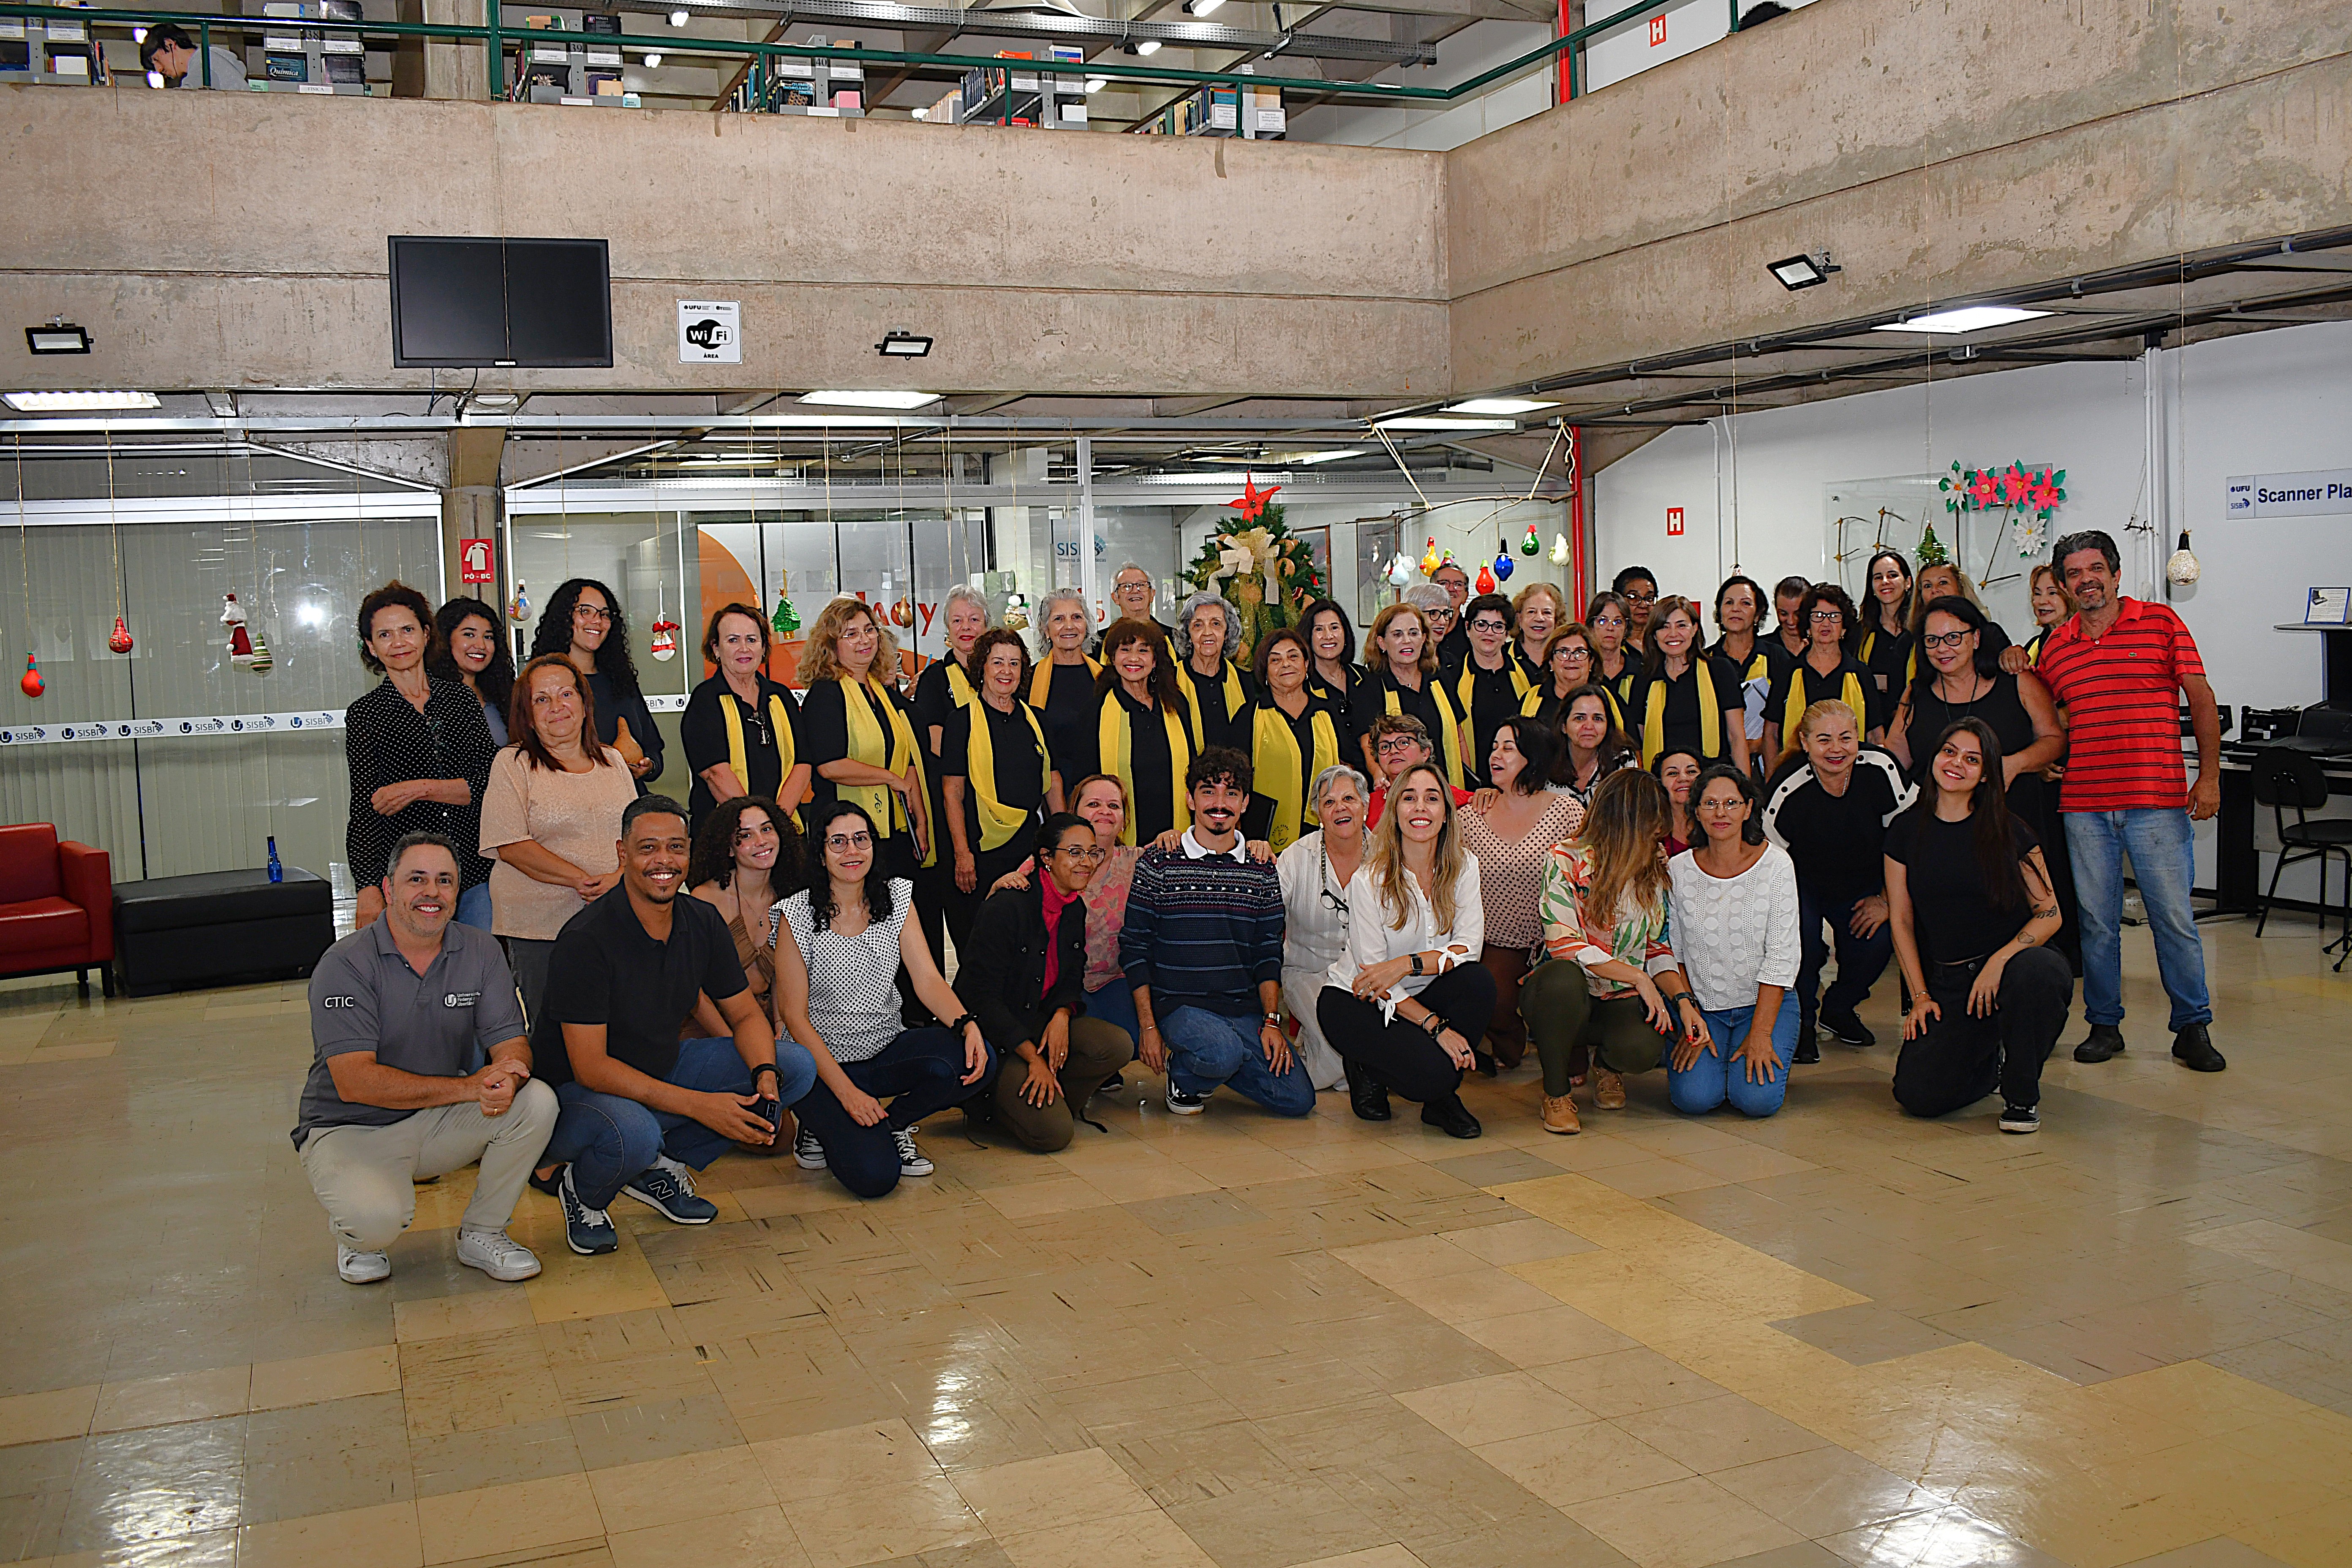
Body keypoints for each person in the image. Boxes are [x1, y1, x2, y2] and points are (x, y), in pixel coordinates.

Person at [531, 795, 817, 1255]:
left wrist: (764, 1074)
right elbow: (591, 1067)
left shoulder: (700, 921)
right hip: (575, 1096)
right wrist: (702, 1106)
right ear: (622, 853)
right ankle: (583, 1193)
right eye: (648, 848)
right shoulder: (586, 940)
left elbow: (744, 1014)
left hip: (660, 1068)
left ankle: (656, 1167)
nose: (663, 861)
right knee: (636, 1132)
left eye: (675, 847)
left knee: (795, 1066)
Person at [294, 833, 553, 1286]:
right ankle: (357, 1236)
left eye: (445, 881)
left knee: (537, 1102)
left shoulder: (480, 949)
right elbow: (356, 1082)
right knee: (377, 1220)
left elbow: (510, 1038)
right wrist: (471, 1087)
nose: (432, 893)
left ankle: (484, 1232)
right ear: (390, 889)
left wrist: (509, 1072)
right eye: (417, 879)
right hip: (351, 1125)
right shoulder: (345, 964)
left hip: (436, 1119)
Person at [2034, 529, 2225, 1072]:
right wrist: (2044, 749)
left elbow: (2202, 698)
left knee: (2173, 919)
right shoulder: (2057, 646)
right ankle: (2104, 1024)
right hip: (2086, 805)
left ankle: (2193, 1027)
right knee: (2097, 921)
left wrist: (2209, 778)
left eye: (2096, 569)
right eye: (2074, 574)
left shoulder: (2162, 623)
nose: (2086, 580)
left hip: (2157, 801)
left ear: (2115, 574)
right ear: (2066, 585)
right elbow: (2043, 713)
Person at [774, 800, 991, 1194]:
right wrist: (849, 1095)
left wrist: (966, 1023)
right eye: (837, 842)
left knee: (978, 1057)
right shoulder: (797, 914)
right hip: (821, 1067)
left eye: (861, 839)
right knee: (876, 1178)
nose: (852, 851)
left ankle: (893, 1124)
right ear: (820, 854)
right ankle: (818, 1124)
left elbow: (927, 979)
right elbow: (793, 1016)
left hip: (883, 1050)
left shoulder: (896, 898)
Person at [1885, 719, 2074, 1130]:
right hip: (1953, 982)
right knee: (1917, 1095)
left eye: (1972, 759)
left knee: (2037, 973)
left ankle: (2021, 1095)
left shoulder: (2011, 829)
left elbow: (2050, 912)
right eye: (1949, 752)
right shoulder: (1904, 830)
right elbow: (1900, 919)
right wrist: (1920, 996)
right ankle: (1989, 1059)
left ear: (1986, 773)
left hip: (2015, 969)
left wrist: (2001, 960)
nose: (1957, 764)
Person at [1119, 748, 1311, 1118]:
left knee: (1297, 1100)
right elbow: (1134, 946)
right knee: (1220, 1052)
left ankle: (1218, 1060)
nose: (1219, 803)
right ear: (1190, 799)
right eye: (1209, 791)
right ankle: (1190, 1074)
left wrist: (1272, 1022)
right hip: (1179, 1005)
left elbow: (1268, 952)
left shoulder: (1261, 868)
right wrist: (1148, 1027)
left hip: (1242, 1009)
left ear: (1245, 803)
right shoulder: (1158, 862)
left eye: (1231, 793)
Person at [1888, 596, 2074, 966]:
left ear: (1976, 638)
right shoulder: (1916, 693)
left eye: (1954, 637)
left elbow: (2054, 739)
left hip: (2011, 828)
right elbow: (1895, 758)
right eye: (1932, 640)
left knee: (2024, 936)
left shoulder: (2014, 681)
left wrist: (2016, 764)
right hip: (1943, 838)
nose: (1943, 649)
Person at [1519, 770, 1704, 1132]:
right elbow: (1564, 944)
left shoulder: (1654, 867)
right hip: (1568, 992)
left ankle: (1608, 1065)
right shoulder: (1565, 858)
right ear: (1625, 822)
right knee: (1560, 981)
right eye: (1652, 827)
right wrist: (1637, 976)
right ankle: (1555, 1094)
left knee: (1643, 1047)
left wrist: (1683, 1001)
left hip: (1617, 997)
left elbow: (1657, 946)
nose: (1658, 838)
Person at [1315, 762, 1491, 1138]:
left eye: (1432, 799)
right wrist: (1436, 1026)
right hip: (1358, 1000)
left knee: (1478, 982)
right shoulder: (1369, 879)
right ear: (1395, 811)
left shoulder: (1464, 867)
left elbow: (1469, 948)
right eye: (1409, 799)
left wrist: (1407, 964)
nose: (1420, 809)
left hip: (1421, 989)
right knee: (1430, 1076)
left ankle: (1440, 1102)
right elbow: (1376, 978)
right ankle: (1367, 1065)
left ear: (1446, 813)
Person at [481, 655, 639, 1026]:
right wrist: (579, 880)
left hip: (615, 919)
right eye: (542, 699)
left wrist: (620, 876)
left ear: (585, 705)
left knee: (621, 1025)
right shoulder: (512, 764)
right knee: (554, 1032)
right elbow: (511, 844)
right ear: (528, 713)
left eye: (566, 694)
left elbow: (638, 835)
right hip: (540, 928)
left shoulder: (614, 762)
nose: (557, 707)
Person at [963, 814, 1135, 1152]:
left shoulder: (1074, 907)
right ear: (1046, 858)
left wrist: (1062, 1014)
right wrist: (1033, 1058)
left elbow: (1071, 975)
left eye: (1092, 853)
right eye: (1074, 853)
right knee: (1054, 1136)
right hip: (997, 1039)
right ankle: (998, 1106)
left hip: (1040, 1022)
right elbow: (980, 999)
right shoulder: (1008, 907)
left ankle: (1047, 1098)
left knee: (1117, 1044)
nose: (1085, 863)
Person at [1761, 699, 1913, 1059]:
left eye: (1846, 738)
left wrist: (1887, 900)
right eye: (1824, 740)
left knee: (1879, 941)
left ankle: (1840, 1008)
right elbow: (1769, 861)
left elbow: (1910, 836)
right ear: (1805, 741)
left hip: (1865, 885)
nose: (1836, 749)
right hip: (1802, 885)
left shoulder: (1881, 768)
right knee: (1803, 948)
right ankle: (1803, 1025)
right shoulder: (1787, 787)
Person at [794, 597, 938, 977]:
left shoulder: (881, 692)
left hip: (894, 829)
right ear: (832, 644)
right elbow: (829, 765)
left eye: (869, 631)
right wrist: (890, 779)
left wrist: (920, 818)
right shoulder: (827, 694)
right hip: (849, 835)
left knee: (901, 929)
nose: (864, 640)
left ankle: (914, 1017)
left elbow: (905, 758)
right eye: (851, 634)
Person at [345, 580, 496, 933]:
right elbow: (365, 810)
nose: (399, 643)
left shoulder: (459, 699)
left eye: (408, 630)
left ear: (426, 635)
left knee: (478, 967)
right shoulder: (366, 714)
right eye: (385, 635)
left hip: (474, 867)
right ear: (370, 646)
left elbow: (491, 783)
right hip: (409, 875)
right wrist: (367, 886)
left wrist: (417, 789)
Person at [1665, 768, 1799, 1118]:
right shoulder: (1677, 870)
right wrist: (1689, 1015)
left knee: (1757, 1102)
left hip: (1764, 1004)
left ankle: (1750, 1055)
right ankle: (1720, 1066)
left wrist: (1761, 1033)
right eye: (1710, 804)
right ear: (1695, 811)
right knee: (1694, 1100)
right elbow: (1674, 951)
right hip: (1702, 1008)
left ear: (1748, 808)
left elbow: (1782, 957)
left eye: (1731, 803)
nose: (1721, 813)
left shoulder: (1777, 864)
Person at [1460, 719, 1584, 1074]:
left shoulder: (1567, 812)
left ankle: (1568, 1055)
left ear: (1533, 757)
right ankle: (1510, 1041)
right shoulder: (1472, 815)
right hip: (1497, 938)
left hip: (1556, 937)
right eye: (1495, 747)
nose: (1495, 755)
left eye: (1508, 748)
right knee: (1492, 1001)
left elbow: (1593, 865)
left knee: (1564, 997)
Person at [941, 628, 1060, 954]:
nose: (1006, 671)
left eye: (1015, 663)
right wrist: (962, 855)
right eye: (998, 663)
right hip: (980, 851)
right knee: (983, 944)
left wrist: (1063, 840)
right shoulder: (960, 722)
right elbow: (953, 793)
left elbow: (1052, 784)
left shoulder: (1037, 721)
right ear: (982, 668)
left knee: (1030, 942)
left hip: (1029, 848)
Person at [1275, 765, 1369, 1093]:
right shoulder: (1295, 859)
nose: (1340, 808)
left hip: (1369, 977)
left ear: (1365, 806)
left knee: (1360, 1045)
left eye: (1349, 799)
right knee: (1344, 1051)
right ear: (1318, 813)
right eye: (1329, 803)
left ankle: (1324, 1055)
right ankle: (1309, 1073)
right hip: (1308, 971)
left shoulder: (1389, 856)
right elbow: (1268, 918)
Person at [681, 603, 810, 833]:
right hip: (725, 832)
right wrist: (758, 827)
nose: (744, 649)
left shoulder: (781, 696)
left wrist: (777, 822)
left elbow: (803, 763)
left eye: (752, 640)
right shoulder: (706, 700)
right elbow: (715, 774)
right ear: (716, 649)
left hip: (785, 827)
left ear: (763, 648)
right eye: (733, 640)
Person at [683, 796, 798, 1047]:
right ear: (729, 849)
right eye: (745, 836)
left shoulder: (790, 895)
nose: (761, 841)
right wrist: (732, 1041)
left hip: (767, 1019)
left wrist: (780, 1027)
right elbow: (694, 992)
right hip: (710, 1025)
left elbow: (783, 977)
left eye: (767, 829)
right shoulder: (705, 900)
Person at [530, 579, 661, 786]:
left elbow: (653, 748)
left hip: (629, 805)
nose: (597, 621)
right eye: (585, 611)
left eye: (604, 614)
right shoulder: (540, 684)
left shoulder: (621, 681)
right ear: (564, 617)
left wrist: (648, 765)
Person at [1086, 617, 1196, 844]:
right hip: (1120, 841)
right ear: (1113, 659)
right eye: (1125, 650)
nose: (1134, 658)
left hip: (1177, 835)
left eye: (1143, 651)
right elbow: (1086, 778)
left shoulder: (1176, 704)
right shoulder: (1096, 709)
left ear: (1155, 661)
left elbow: (1194, 767)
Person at [1239, 627, 1345, 855]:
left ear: (1307, 664)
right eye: (1275, 660)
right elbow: (1235, 780)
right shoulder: (1250, 716)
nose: (1286, 664)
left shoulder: (1327, 712)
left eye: (1293, 656)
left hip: (1323, 838)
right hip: (1264, 843)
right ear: (1265, 672)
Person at [1762, 582, 1882, 762]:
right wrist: (1773, 780)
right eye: (1818, 616)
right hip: (1796, 775)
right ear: (1808, 626)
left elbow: (1875, 734)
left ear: (1844, 627)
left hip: (1854, 773)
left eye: (1834, 616)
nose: (1826, 623)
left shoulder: (1860, 673)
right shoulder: (1789, 672)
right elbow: (1771, 732)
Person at [1632, 595, 1750, 773]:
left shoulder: (1719, 671)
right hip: (1664, 783)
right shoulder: (1644, 679)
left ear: (1694, 629)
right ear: (1655, 635)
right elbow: (1640, 742)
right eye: (1664, 627)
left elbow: (1737, 738)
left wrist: (1744, 790)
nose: (1673, 634)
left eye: (1681, 626)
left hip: (1714, 780)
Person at [1353, 603, 1466, 789]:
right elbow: (1369, 746)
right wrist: (1379, 775)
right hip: (1400, 792)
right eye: (1398, 635)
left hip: (1448, 788)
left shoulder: (1440, 679)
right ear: (1382, 643)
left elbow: (1459, 737)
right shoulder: (1370, 687)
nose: (1407, 641)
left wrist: (1467, 789)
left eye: (1413, 633)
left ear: (1424, 639)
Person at [1448, 593, 1535, 789]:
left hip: (1522, 786)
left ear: (1507, 634)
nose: (1489, 633)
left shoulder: (1528, 675)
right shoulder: (1450, 680)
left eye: (1498, 627)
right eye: (1481, 625)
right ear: (1468, 628)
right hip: (1472, 788)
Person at [1029, 588, 1101, 787]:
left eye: (1077, 617)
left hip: (1100, 788)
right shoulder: (1028, 680)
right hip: (1048, 790)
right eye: (1059, 619)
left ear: (1086, 625)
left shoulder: (1106, 679)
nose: (1069, 626)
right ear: (1046, 630)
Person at [1707, 574, 1783, 763]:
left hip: (1770, 759)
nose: (1736, 609)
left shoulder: (1777, 657)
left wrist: (1760, 744)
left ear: (1758, 615)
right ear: (1720, 613)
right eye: (1729, 603)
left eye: (1746, 603)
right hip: (1718, 762)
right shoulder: (1705, 661)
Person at [1172, 591, 1256, 754]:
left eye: (1216, 624)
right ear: (1188, 635)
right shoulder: (1170, 682)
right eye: (1198, 625)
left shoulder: (1247, 683)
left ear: (1227, 633)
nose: (1207, 633)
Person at [430, 595, 516, 749]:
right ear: (444, 639)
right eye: (469, 635)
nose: (481, 645)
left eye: (488, 637)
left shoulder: (504, 695)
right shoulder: (429, 697)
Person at [916, 584, 991, 753]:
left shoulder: (1002, 672)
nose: (966, 627)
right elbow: (934, 742)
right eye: (957, 621)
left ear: (987, 626)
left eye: (974, 620)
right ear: (948, 628)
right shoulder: (933, 679)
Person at [1364, 713, 1474, 827]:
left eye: (1403, 743)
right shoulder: (1367, 806)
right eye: (1385, 747)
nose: (1393, 751)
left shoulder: (1463, 801)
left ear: (1425, 753)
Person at [1550, 684, 1635, 808]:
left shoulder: (1623, 760)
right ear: (1564, 726)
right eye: (1580, 718)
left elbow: (1627, 816)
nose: (1589, 726)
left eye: (1598, 719)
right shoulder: (1546, 762)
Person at [1522, 623, 1611, 733]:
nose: (1572, 659)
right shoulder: (1532, 698)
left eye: (1580, 652)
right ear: (1551, 662)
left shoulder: (1606, 698)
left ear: (1591, 662)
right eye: (1563, 652)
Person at [1860, 549, 1918, 702]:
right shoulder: (1860, 634)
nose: (1885, 582)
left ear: (1908, 583)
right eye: (1878, 578)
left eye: (1893, 576)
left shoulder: (1922, 631)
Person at [1302, 597, 1366, 711]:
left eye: (1334, 628)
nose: (1328, 636)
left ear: (1345, 633)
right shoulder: (1302, 686)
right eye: (1319, 629)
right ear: (1308, 637)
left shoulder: (1365, 677)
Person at [140, 22, 247, 88]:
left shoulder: (204, 61)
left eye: (156, 59)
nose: (158, 69)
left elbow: (186, 99)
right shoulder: (210, 59)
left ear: (170, 44)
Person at [1089, 562, 1168, 651]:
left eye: (1141, 585)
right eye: (1127, 586)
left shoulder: (1173, 639)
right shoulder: (1098, 643)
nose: (1135, 591)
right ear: (1115, 598)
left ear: (1152, 595)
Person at [1585, 591, 1641, 712]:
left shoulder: (1640, 673)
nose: (1610, 628)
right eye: (1602, 621)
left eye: (1618, 622)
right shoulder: (1581, 670)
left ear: (1626, 629)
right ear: (1591, 627)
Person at [2013, 564, 2075, 670]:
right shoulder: (2033, 648)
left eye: (2052, 593)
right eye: (2037, 594)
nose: (2041, 601)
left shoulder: (2087, 643)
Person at [1511, 583, 1568, 683]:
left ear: (1557, 620)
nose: (1539, 619)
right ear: (1520, 619)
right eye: (1532, 612)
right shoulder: (1502, 657)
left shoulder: (1568, 658)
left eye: (1547, 613)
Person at [1654, 747, 1703, 855]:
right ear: (1659, 783)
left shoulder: (1715, 825)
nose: (1683, 778)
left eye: (1691, 772)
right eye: (1673, 773)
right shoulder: (1650, 832)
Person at [1431, 559, 1474, 667]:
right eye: (1444, 583)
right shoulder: (1419, 632)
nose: (1451, 589)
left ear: (1466, 596)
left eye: (1458, 585)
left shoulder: (1473, 634)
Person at [1611, 567, 1659, 657]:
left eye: (1649, 598)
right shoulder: (1611, 644)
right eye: (1633, 597)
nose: (1643, 605)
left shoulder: (1663, 642)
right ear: (1618, 601)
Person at [1769, 575, 1813, 666]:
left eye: (1798, 614)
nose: (1791, 621)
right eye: (1783, 614)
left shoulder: (1823, 647)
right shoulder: (1761, 649)